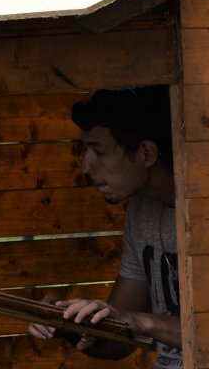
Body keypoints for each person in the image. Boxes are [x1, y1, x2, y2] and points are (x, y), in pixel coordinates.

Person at [27, 87, 182, 367]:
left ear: (146, 153)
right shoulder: (141, 212)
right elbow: (118, 340)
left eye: (98, 151)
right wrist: (67, 324)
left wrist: (138, 321)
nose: (86, 167)